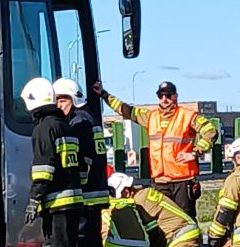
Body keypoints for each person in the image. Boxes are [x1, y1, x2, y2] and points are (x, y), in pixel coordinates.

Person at [92, 78, 218, 219]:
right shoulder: (151, 117)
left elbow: (211, 131)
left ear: (175, 96)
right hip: (160, 182)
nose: (164, 99)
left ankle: (191, 242)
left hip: (183, 180)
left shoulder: (187, 116)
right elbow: (125, 110)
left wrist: (196, 152)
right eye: (161, 95)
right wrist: (103, 94)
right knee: (163, 220)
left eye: (168, 95)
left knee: (185, 218)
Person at [20, 77, 83, 247]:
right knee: (68, 246)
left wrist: (34, 199)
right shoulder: (65, 125)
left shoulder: (43, 128)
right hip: (73, 198)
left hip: (57, 200)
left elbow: (44, 170)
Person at [53, 79, 110, 247]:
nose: (59, 105)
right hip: (95, 192)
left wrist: (74, 185)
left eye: (62, 99)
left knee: (82, 243)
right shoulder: (90, 118)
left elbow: (83, 160)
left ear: (73, 99)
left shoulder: (78, 123)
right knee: (93, 243)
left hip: (86, 194)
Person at [104, 172, 202, 247]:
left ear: (126, 191)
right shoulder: (143, 194)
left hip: (180, 239)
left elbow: (152, 231)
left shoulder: (138, 202)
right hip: (185, 234)